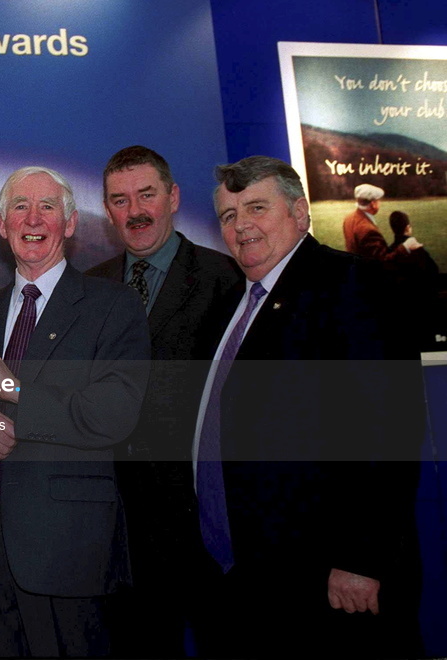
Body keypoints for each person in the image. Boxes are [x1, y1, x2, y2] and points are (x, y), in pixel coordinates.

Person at [194, 156, 424, 656]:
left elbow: (392, 428)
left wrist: (363, 557)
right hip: (245, 579)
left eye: (257, 207)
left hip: (328, 581)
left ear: (301, 212)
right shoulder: (227, 307)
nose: (242, 225)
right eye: (229, 216)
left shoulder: (353, 286)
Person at [0, 166, 150, 657]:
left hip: (68, 549)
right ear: (2, 226)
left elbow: (114, 415)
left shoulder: (114, 306)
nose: (32, 218)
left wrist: (16, 391)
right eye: (19, 206)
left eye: (47, 207)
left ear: (72, 222)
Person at [85, 145, 242, 657]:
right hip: (120, 530)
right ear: (108, 210)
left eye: (147, 194)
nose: (136, 211)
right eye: (121, 200)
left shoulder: (228, 280)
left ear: (173, 197)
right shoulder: (89, 290)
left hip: (204, 524)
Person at [342, 183, 415, 260]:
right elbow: (383, 261)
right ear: (373, 204)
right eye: (378, 200)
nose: (380, 203)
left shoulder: (348, 218)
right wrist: (405, 247)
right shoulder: (368, 230)